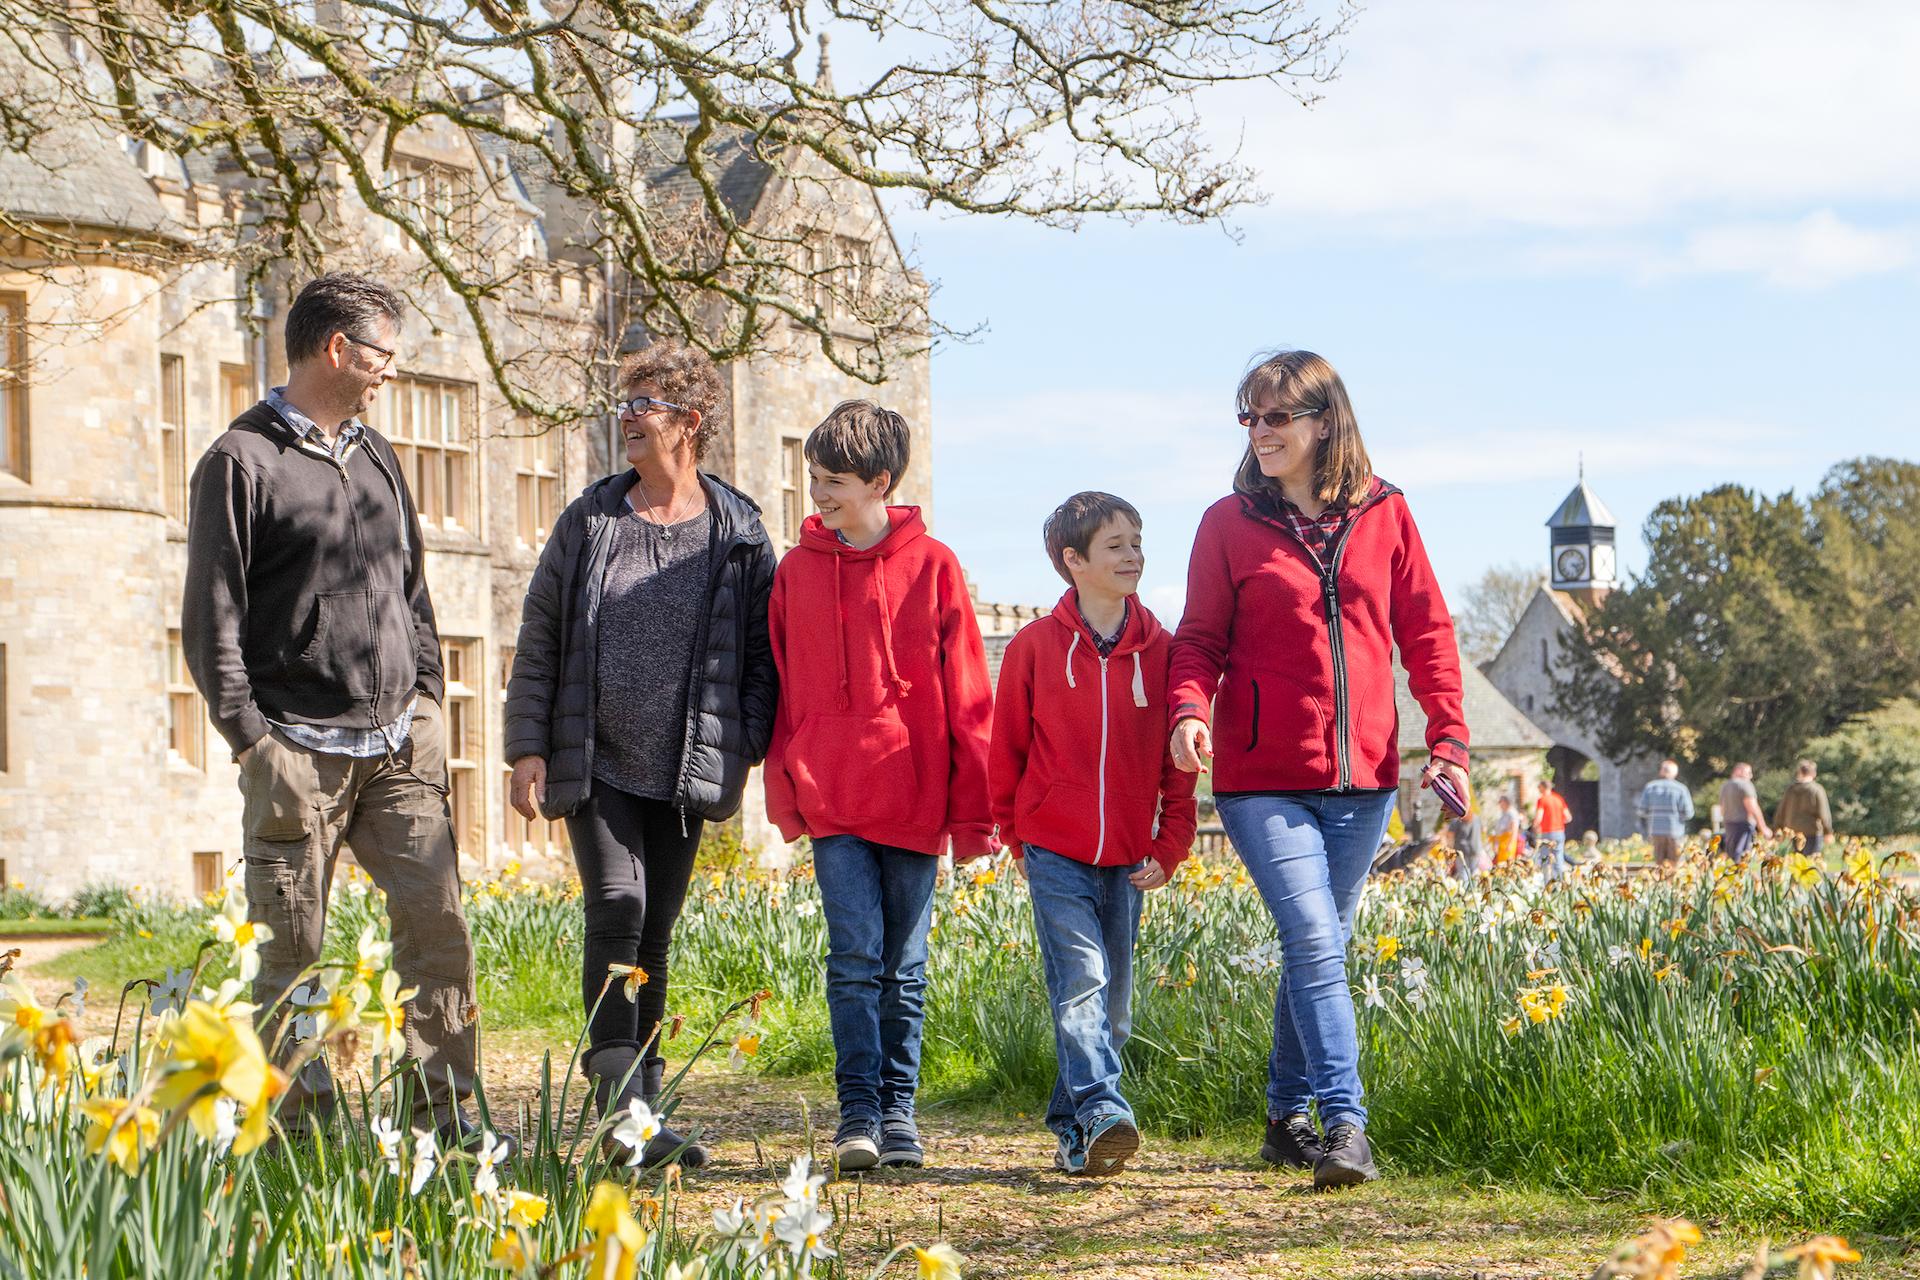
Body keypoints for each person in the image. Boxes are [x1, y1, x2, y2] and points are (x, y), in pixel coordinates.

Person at [182, 273, 496, 1150]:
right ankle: (302, 1140)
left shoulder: (377, 453)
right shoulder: (239, 462)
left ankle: (447, 1123)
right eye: (383, 355)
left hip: (400, 749)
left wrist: (430, 699)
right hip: (296, 755)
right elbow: (210, 620)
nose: (390, 372)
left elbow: (414, 591)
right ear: (336, 350)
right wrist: (253, 743)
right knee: (289, 959)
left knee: (438, 934)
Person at [1167, 350, 1470, 1190]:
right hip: (1262, 776)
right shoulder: (1227, 524)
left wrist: (1447, 739)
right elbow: (1197, 639)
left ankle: (1282, 1117)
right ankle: (1346, 1124)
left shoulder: (1388, 514)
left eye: (1277, 417)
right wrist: (1190, 709)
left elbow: (1429, 636)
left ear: (1323, 421)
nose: (1260, 432)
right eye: (1251, 419)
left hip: (1364, 777)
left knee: (1321, 946)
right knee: (1312, 939)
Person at [504, 341, 776, 1168]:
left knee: (654, 937)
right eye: (623, 406)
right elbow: (540, 635)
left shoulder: (738, 531)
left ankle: (643, 1118)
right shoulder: (590, 520)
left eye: (644, 406)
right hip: (597, 757)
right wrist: (525, 748)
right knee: (616, 908)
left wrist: (746, 743)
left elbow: (766, 656)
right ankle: (622, 1106)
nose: (626, 420)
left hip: (686, 772)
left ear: (689, 423)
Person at [763, 400, 994, 1172]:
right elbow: (785, 691)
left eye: (832, 482)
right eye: (813, 479)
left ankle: (901, 1113)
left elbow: (968, 698)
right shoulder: (796, 571)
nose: (818, 495)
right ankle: (856, 1113)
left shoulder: (935, 567)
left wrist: (975, 821)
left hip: (915, 796)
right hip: (832, 797)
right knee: (853, 960)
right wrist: (784, 791)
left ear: (880, 481)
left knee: (907, 966)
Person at [988, 492, 1197, 1177]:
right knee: (1079, 983)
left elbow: (1180, 760)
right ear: (1073, 562)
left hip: (1129, 858)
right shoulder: (1033, 649)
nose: (1133, 554)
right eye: (1116, 545)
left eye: (1137, 541)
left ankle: (1075, 1129)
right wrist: (1016, 837)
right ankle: (1105, 1108)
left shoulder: (1163, 652)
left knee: (1113, 1011)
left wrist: (1172, 843)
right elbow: (1007, 751)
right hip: (1054, 850)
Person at [1634, 759, 1694, 866]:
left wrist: (1654, 815)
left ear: (1661, 771)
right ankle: (1671, 882)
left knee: (1659, 865)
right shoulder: (1681, 789)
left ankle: (1661, 883)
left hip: (1656, 830)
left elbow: (1641, 811)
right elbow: (1689, 813)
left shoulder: (1650, 787)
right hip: (1675, 831)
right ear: (1675, 773)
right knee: (1674, 863)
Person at [1772, 760, 1835, 856]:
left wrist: (1777, 828)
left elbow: (1781, 811)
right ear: (1814, 773)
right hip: (1812, 832)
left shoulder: (1791, 790)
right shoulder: (1816, 790)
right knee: (1811, 863)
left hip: (1794, 831)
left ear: (1800, 772)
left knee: (1798, 862)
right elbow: (1823, 813)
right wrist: (1828, 832)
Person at [1718, 763, 1772, 862]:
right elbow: (1753, 807)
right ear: (1739, 771)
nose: (1750, 776)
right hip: (1743, 825)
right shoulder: (1745, 785)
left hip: (1728, 824)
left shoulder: (1725, 786)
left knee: (1731, 856)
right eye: (1749, 772)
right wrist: (1763, 827)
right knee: (1742, 856)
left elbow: (1722, 809)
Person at [1533, 778, 1571, 882]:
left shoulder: (1542, 800)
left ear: (1543, 787)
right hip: (1559, 832)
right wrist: (1558, 820)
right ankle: (1560, 882)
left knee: (1546, 859)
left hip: (1547, 833)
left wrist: (1535, 827)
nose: (1538, 789)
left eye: (1539, 787)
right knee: (1558, 858)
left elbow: (1538, 818)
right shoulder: (1559, 799)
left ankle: (1548, 883)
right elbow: (1568, 817)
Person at [1443, 808, 1485, 885]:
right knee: (1472, 874)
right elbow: (1483, 830)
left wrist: (1449, 848)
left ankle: (1469, 893)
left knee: (1465, 874)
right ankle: (1473, 892)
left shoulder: (1457, 821)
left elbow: (1449, 835)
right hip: (1473, 850)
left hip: (1463, 851)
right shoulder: (1476, 818)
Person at [1487, 794, 1520, 867]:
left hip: (1507, 843)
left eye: (1500, 802)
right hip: (1502, 843)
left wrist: (1510, 844)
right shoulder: (1504, 813)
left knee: (1507, 865)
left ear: (1505, 802)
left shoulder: (1512, 813)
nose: (1499, 804)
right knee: (1501, 865)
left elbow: (1514, 830)